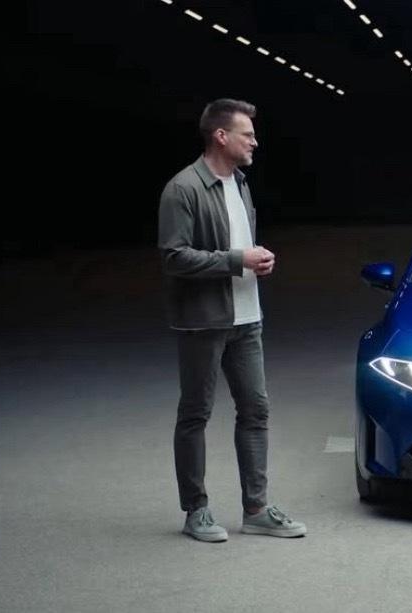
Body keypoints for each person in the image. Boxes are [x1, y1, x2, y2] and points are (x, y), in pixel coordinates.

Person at [158, 98, 306, 542]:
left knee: (256, 410)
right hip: (204, 321)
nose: (255, 142)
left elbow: (239, 245)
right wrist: (237, 259)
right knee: (196, 413)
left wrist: (256, 260)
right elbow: (173, 257)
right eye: (248, 134)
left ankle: (256, 509)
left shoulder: (241, 183)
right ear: (221, 136)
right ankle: (196, 511)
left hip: (247, 318)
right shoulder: (182, 189)